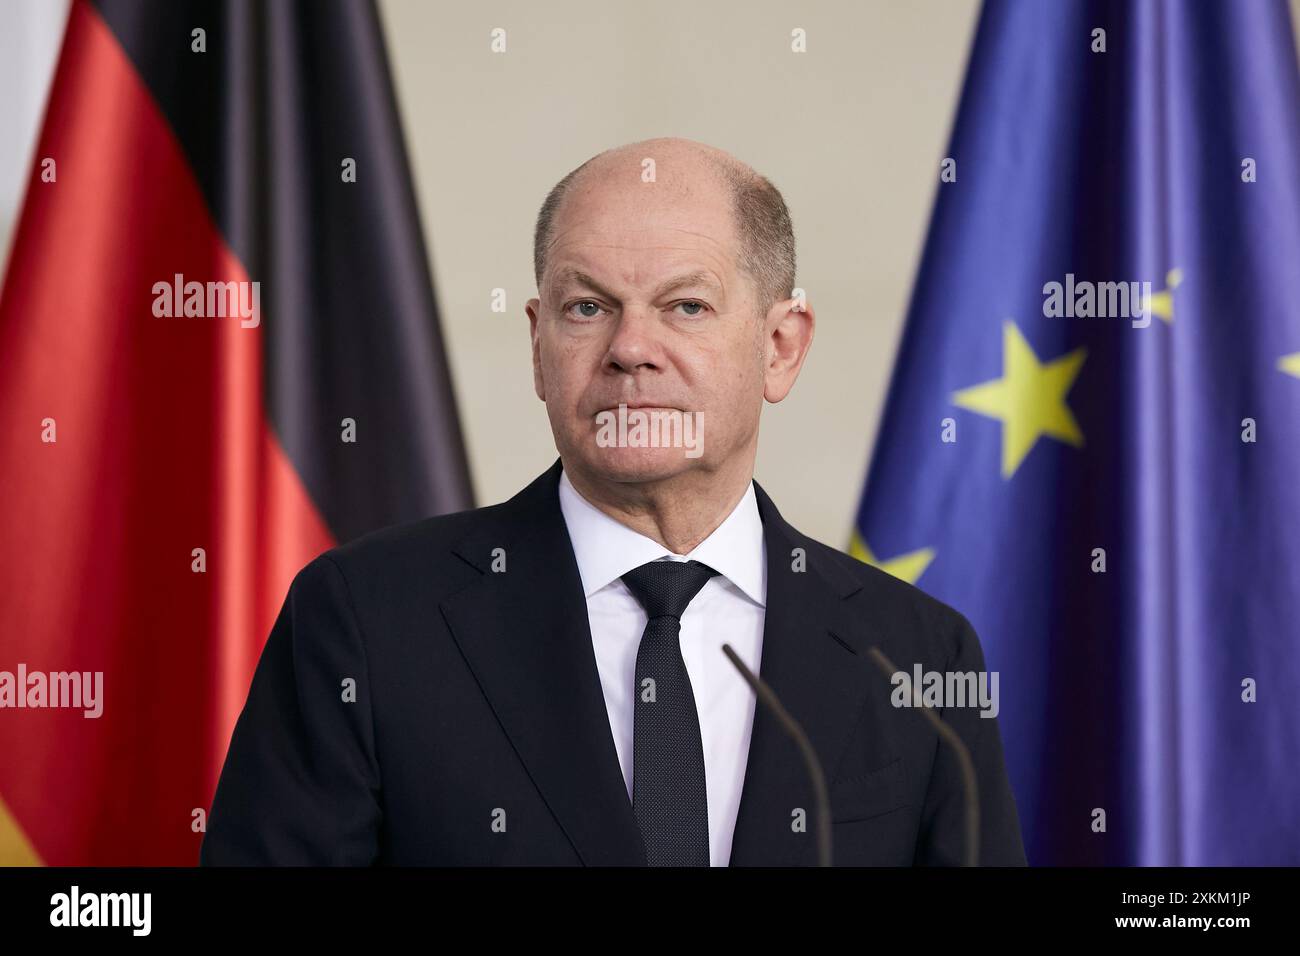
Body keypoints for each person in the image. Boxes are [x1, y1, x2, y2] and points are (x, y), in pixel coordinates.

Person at [200, 137, 1026, 866]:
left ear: (781, 347)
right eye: (587, 307)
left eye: (686, 307)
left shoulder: (922, 653)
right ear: (537, 343)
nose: (631, 349)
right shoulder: (364, 622)